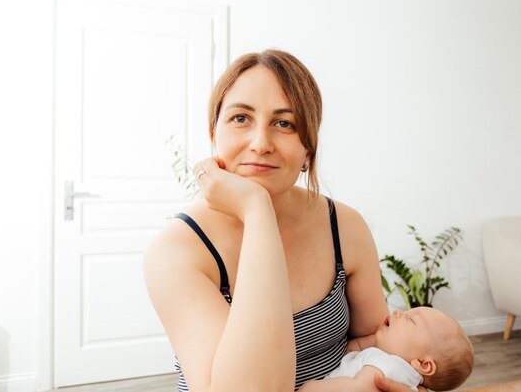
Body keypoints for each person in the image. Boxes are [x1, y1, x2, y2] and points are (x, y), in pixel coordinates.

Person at [144, 49, 430, 392]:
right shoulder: (177, 250)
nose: (260, 143)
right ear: (213, 132)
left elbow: (378, 343)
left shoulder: (345, 226)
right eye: (240, 118)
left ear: (308, 149)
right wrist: (256, 210)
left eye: (285, 123)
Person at [298, 307, 474, 392]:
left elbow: (355, 389)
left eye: (411, 320)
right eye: (407, 311)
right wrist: (378, 338)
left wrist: (309, 388)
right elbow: (353, 349)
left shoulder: (386, 367)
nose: (398, 312)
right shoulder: (394, 366)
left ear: (423, 363)